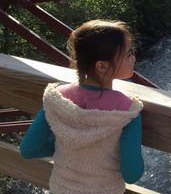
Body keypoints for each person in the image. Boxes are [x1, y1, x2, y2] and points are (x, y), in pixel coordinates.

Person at [19, 19, 144, 194]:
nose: (134, 57)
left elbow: (28, 149)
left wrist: (63, 147)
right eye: (129, 53)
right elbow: (132, 174)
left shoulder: (57, 98)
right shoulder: (127, 110)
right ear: (102, 66)